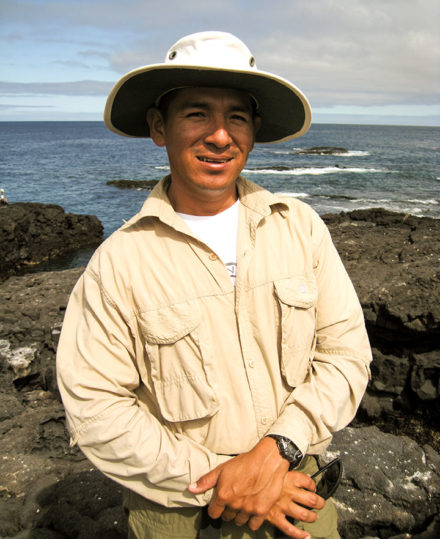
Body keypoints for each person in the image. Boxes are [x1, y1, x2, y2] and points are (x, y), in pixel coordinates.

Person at [56, 31, 372, 539]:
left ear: (253, 131)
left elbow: (346, 355)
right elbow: (96, 408)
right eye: (197, 113)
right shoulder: (119, 261)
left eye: (237, 118)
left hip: (299, 502)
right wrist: (223, 483)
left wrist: (278, 450)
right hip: (179, 517)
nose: (220, 136)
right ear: (159, 127)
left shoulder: (301, 227)